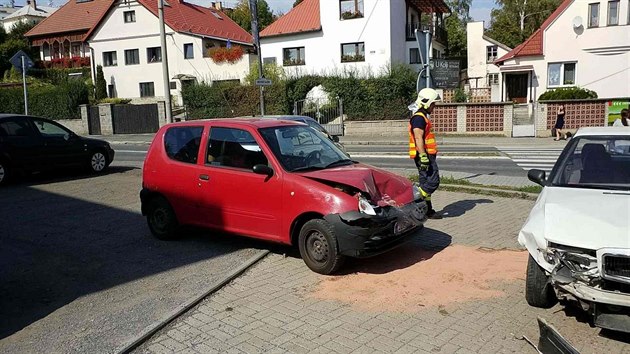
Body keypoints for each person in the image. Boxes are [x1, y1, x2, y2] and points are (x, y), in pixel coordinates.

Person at [409, 88, 442, 219]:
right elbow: (418, 137)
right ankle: (414, 198)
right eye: (433, 104)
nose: (434, 107)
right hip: (424, 155)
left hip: (425, 155)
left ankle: (427, 211)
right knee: (433, 182)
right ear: (426, 103)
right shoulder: (419, 118)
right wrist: (423, 156)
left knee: (425, 183)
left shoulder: (422, 117)